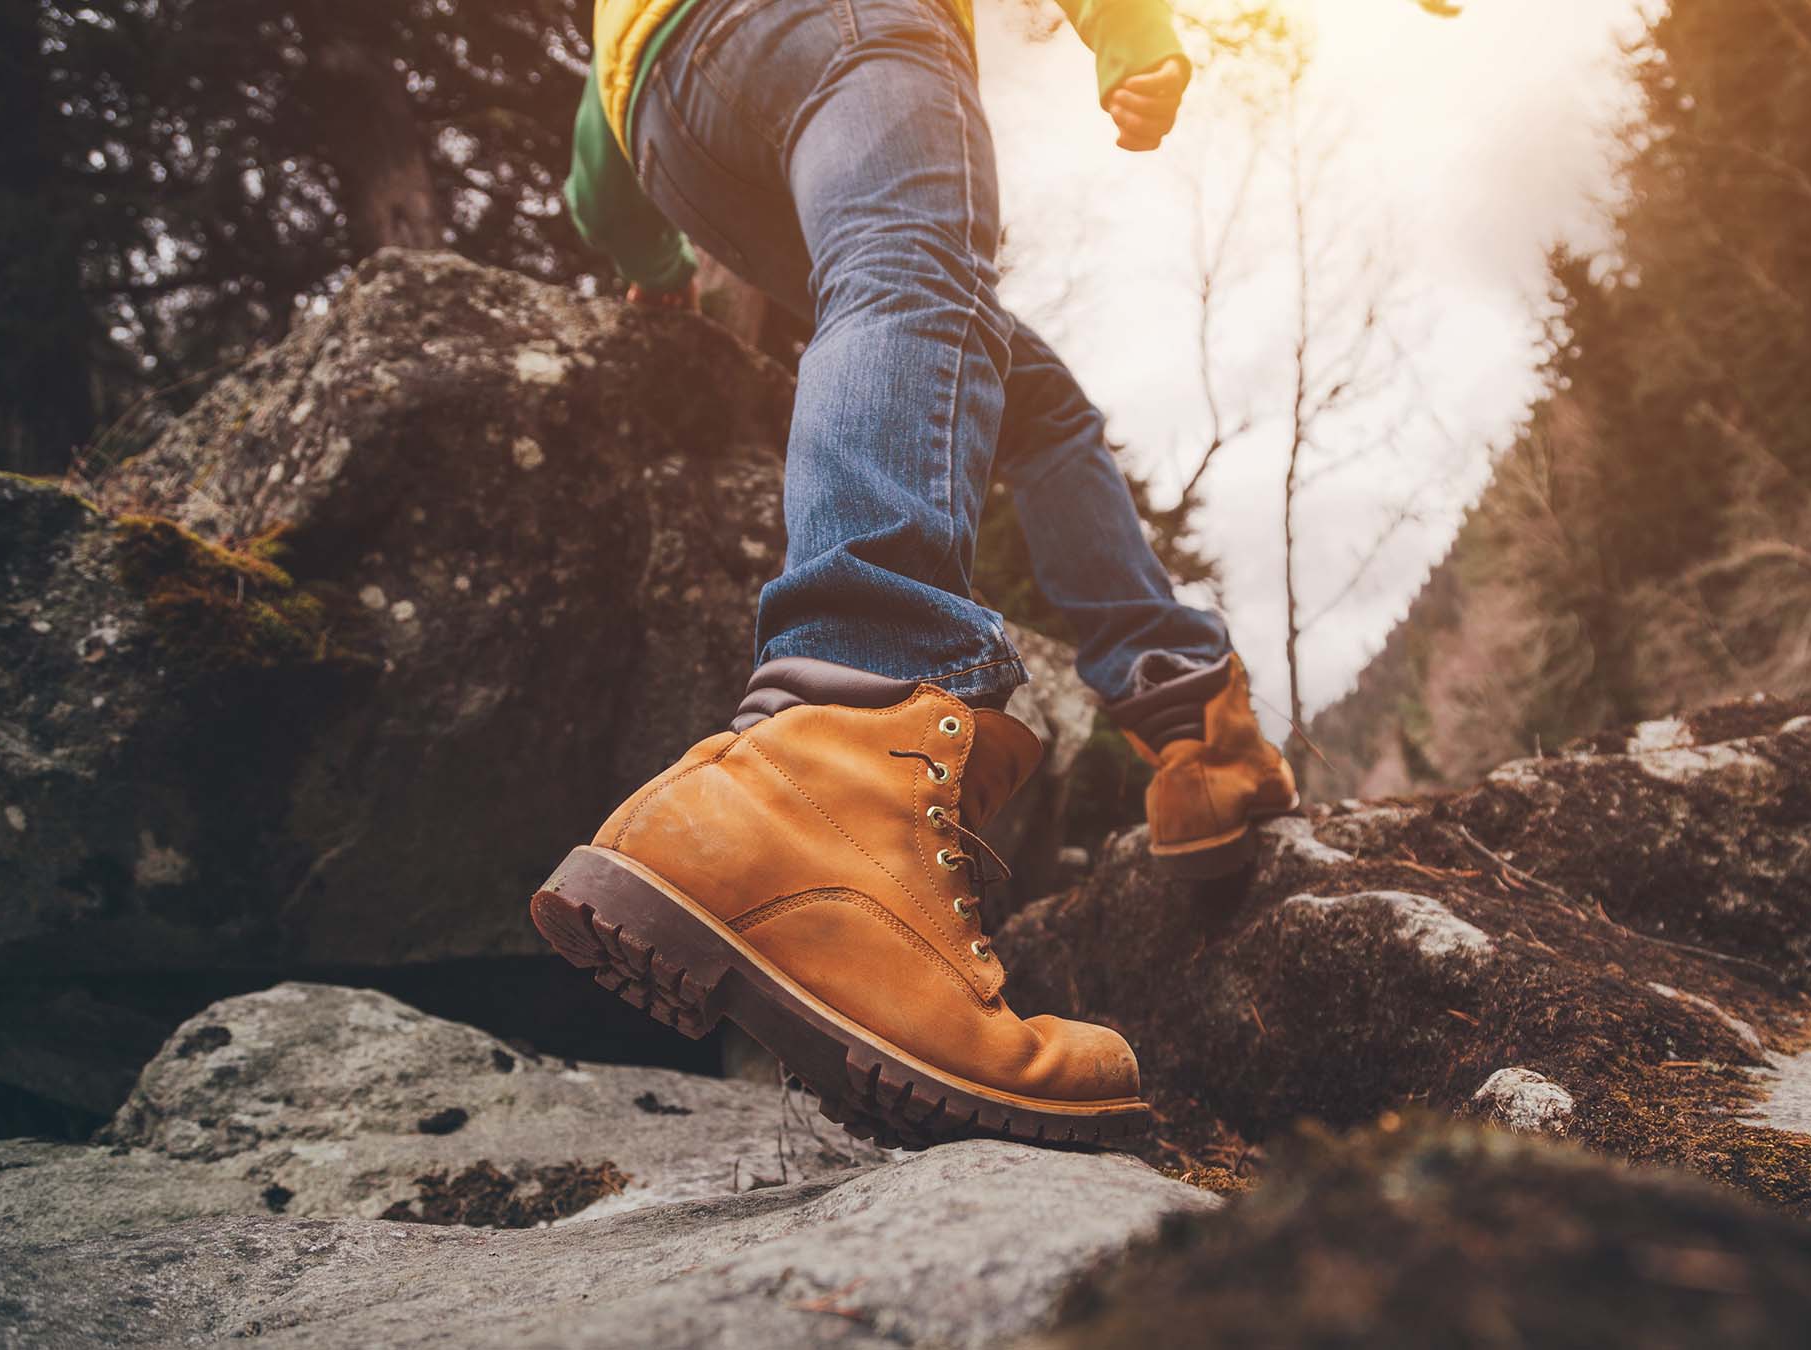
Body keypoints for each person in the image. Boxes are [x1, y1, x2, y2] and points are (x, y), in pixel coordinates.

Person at [529, 0, 1297, 1149]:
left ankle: (1192, 726)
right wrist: (1128, 24)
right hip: (840, 28)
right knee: (907, 274)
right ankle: (843, 749)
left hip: (668, 120)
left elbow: (597, 182)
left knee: (1029, 398)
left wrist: (656, 263)